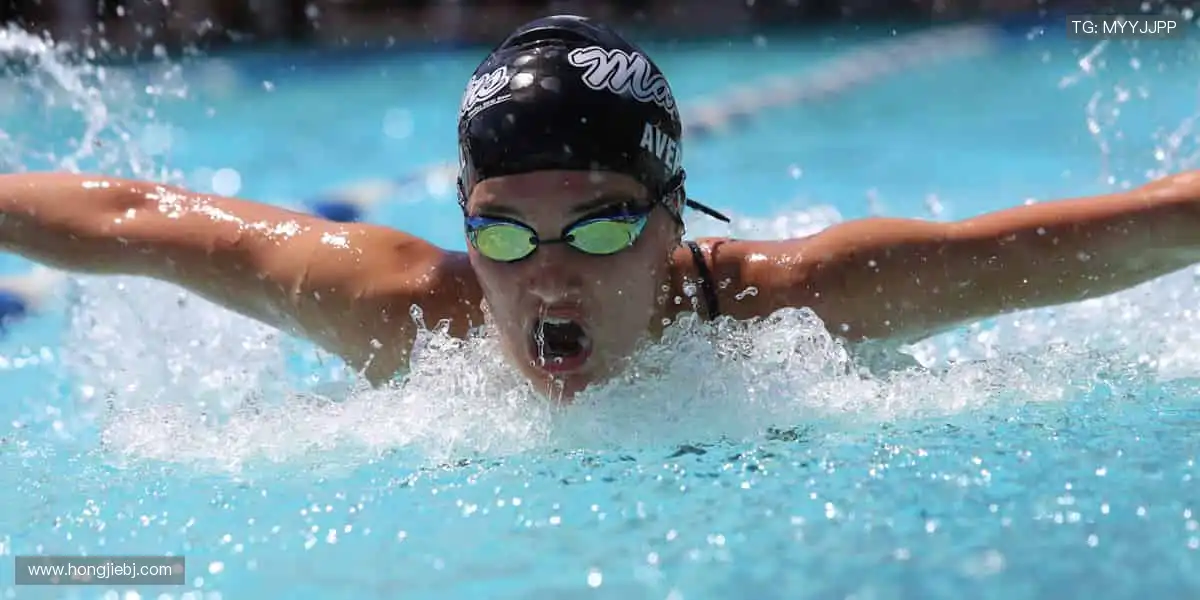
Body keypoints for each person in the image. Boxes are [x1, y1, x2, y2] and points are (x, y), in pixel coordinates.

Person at [1, 14, 1198, 400]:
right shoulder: (414, 317)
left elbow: (1117, 237)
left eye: (606, 222)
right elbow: (130, 220)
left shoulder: (797, 309)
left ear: (679, 220)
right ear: (466, 221)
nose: (549, 275)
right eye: (506, 231)